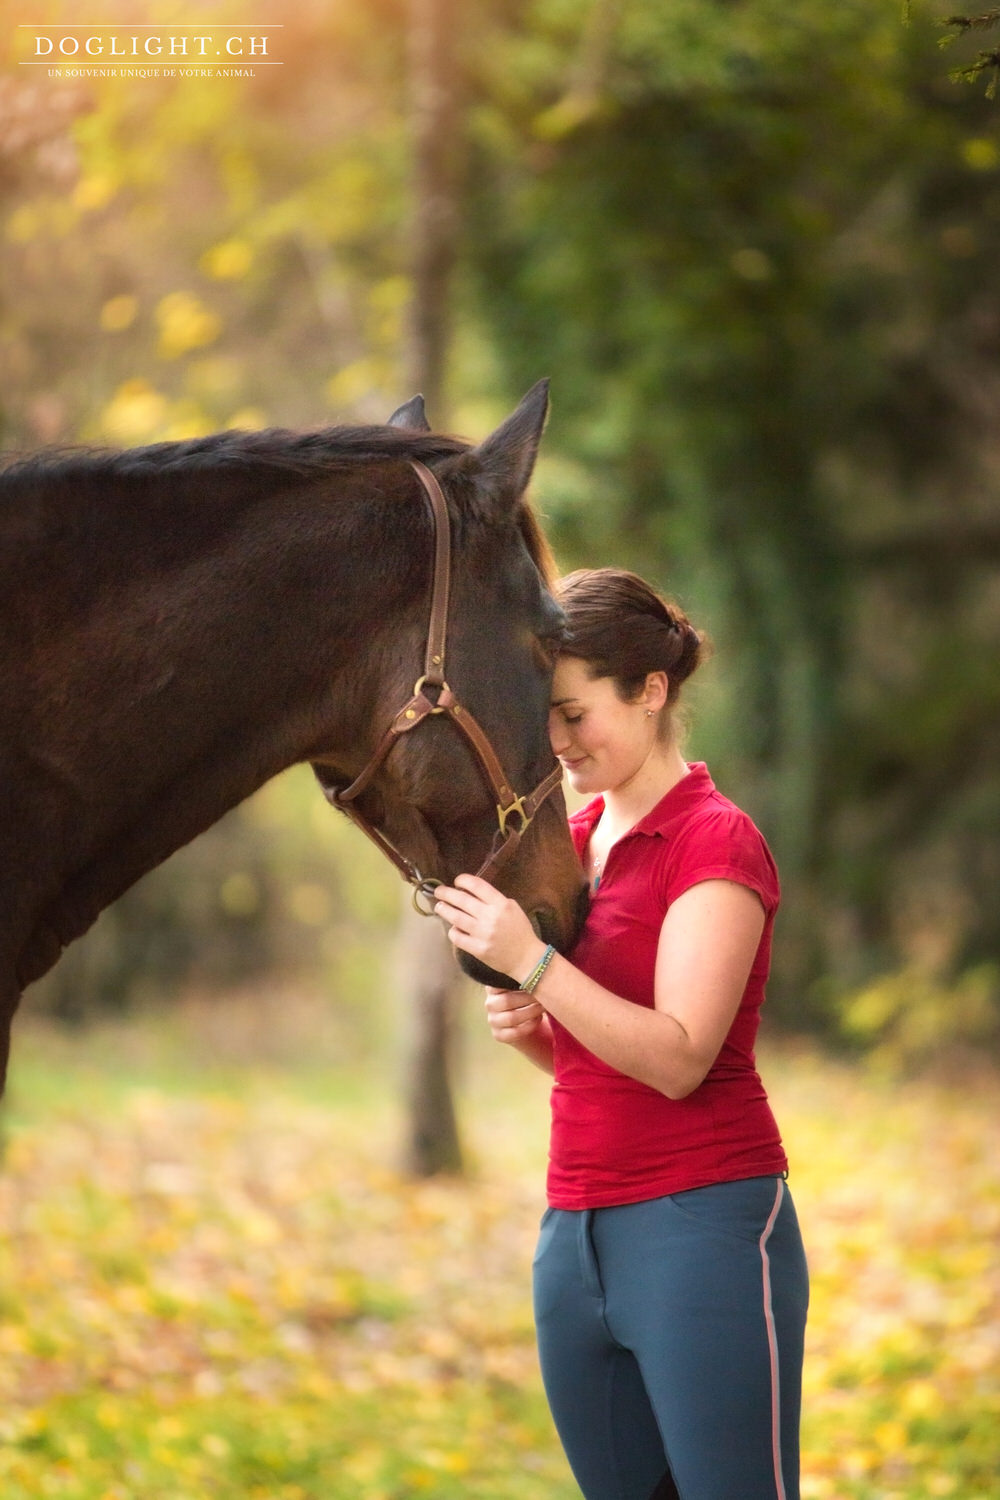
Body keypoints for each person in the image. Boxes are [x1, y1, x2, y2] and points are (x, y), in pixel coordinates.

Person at [433, 567, 809, 1500]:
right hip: (575, 1231)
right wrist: (532, 1029)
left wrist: (536, 967)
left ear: (650, 692)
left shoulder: (715, 842)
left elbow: (681, 1057)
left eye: (574, 713)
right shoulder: (576, 839)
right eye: (542, 718)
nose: (555, 743)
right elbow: (598, 1064)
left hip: (705, 1224)